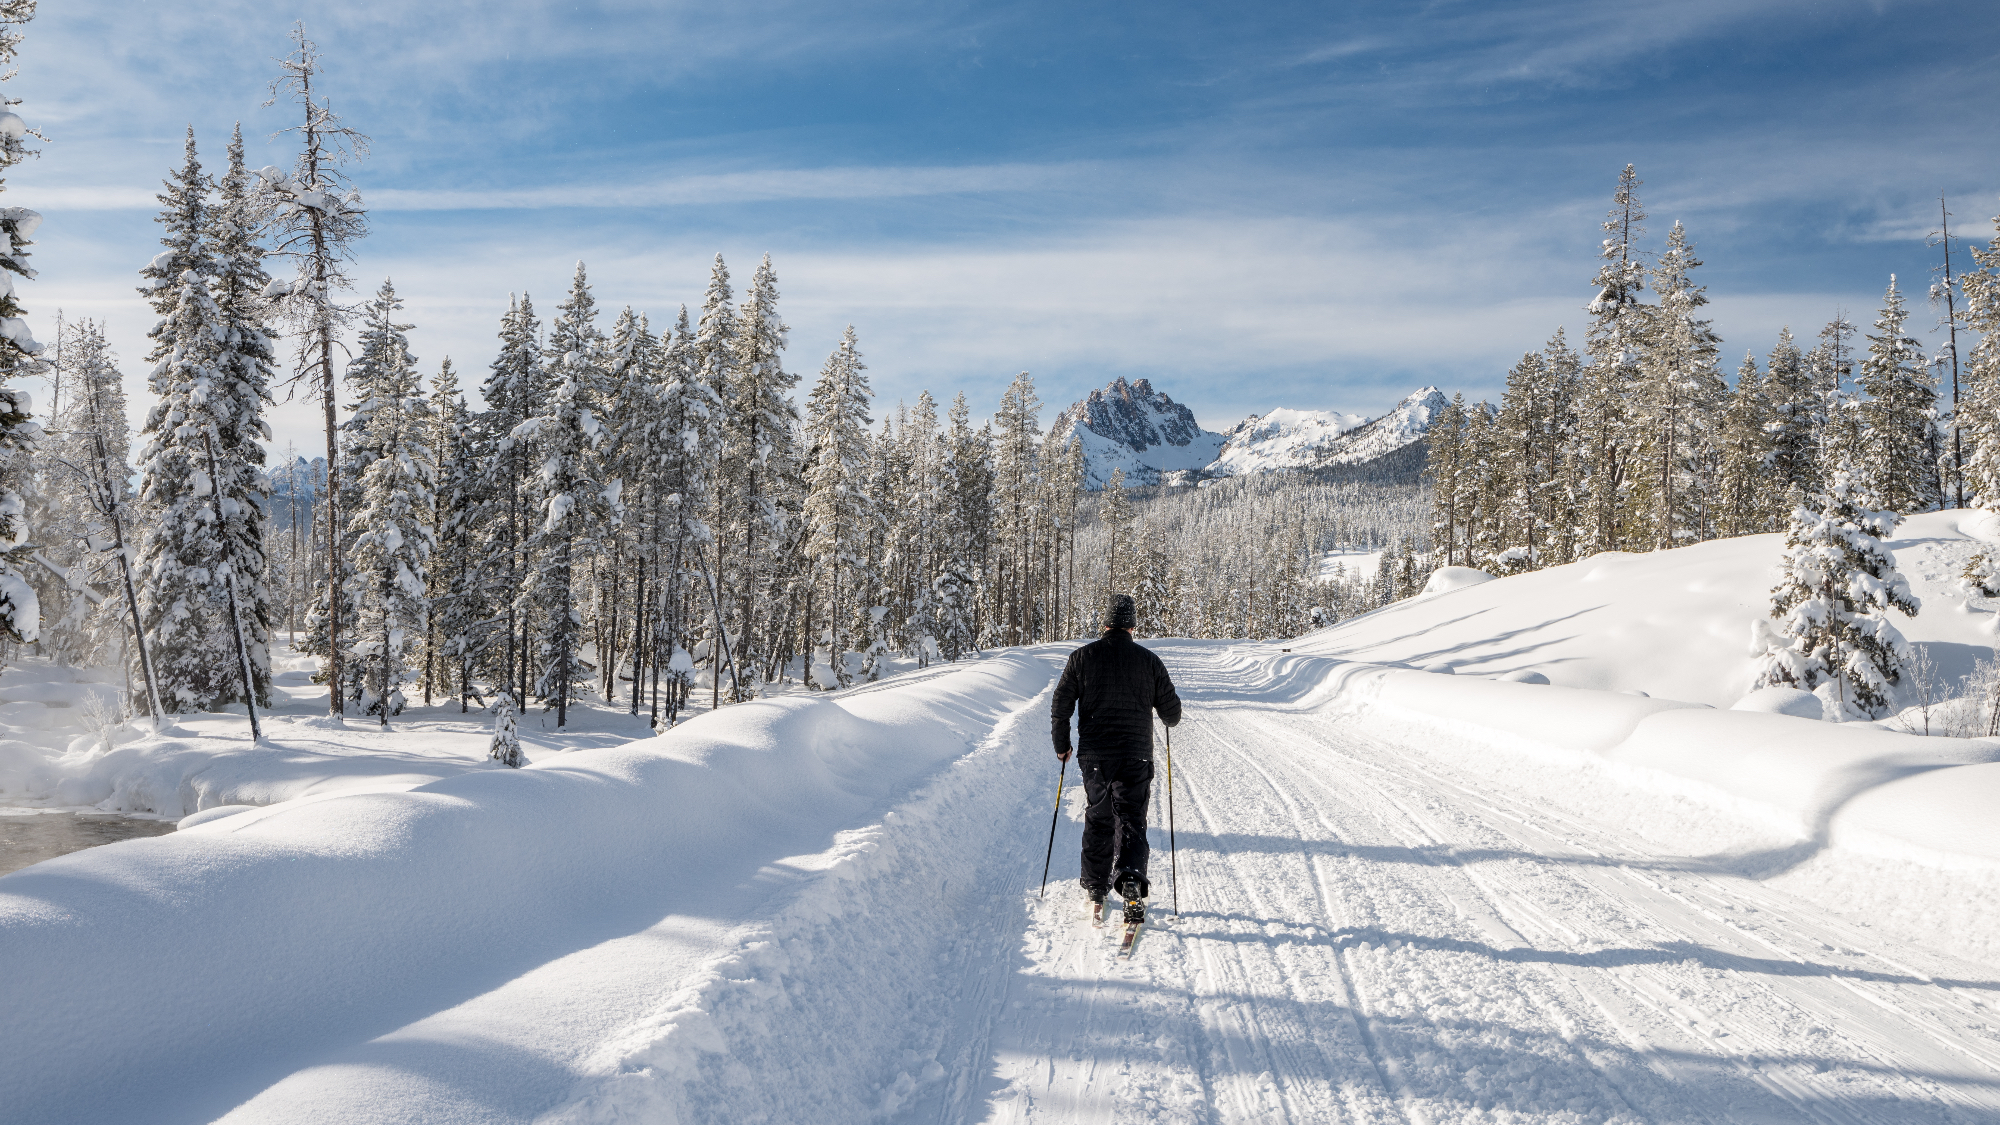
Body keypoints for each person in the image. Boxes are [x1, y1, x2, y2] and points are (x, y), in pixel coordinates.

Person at [1050, 593, 1182, 925]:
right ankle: (1132, 879)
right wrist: (1162, 712)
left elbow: (1061, 705)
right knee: (1132, 819)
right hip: (1136, 755)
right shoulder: (1149, 661)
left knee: (1099, 817)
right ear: (1133, 626)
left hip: (1095, 755)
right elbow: (1172, 714)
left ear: (1105, 624)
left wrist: (1062, 744)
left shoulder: (1082, 657)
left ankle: (1096, 889)